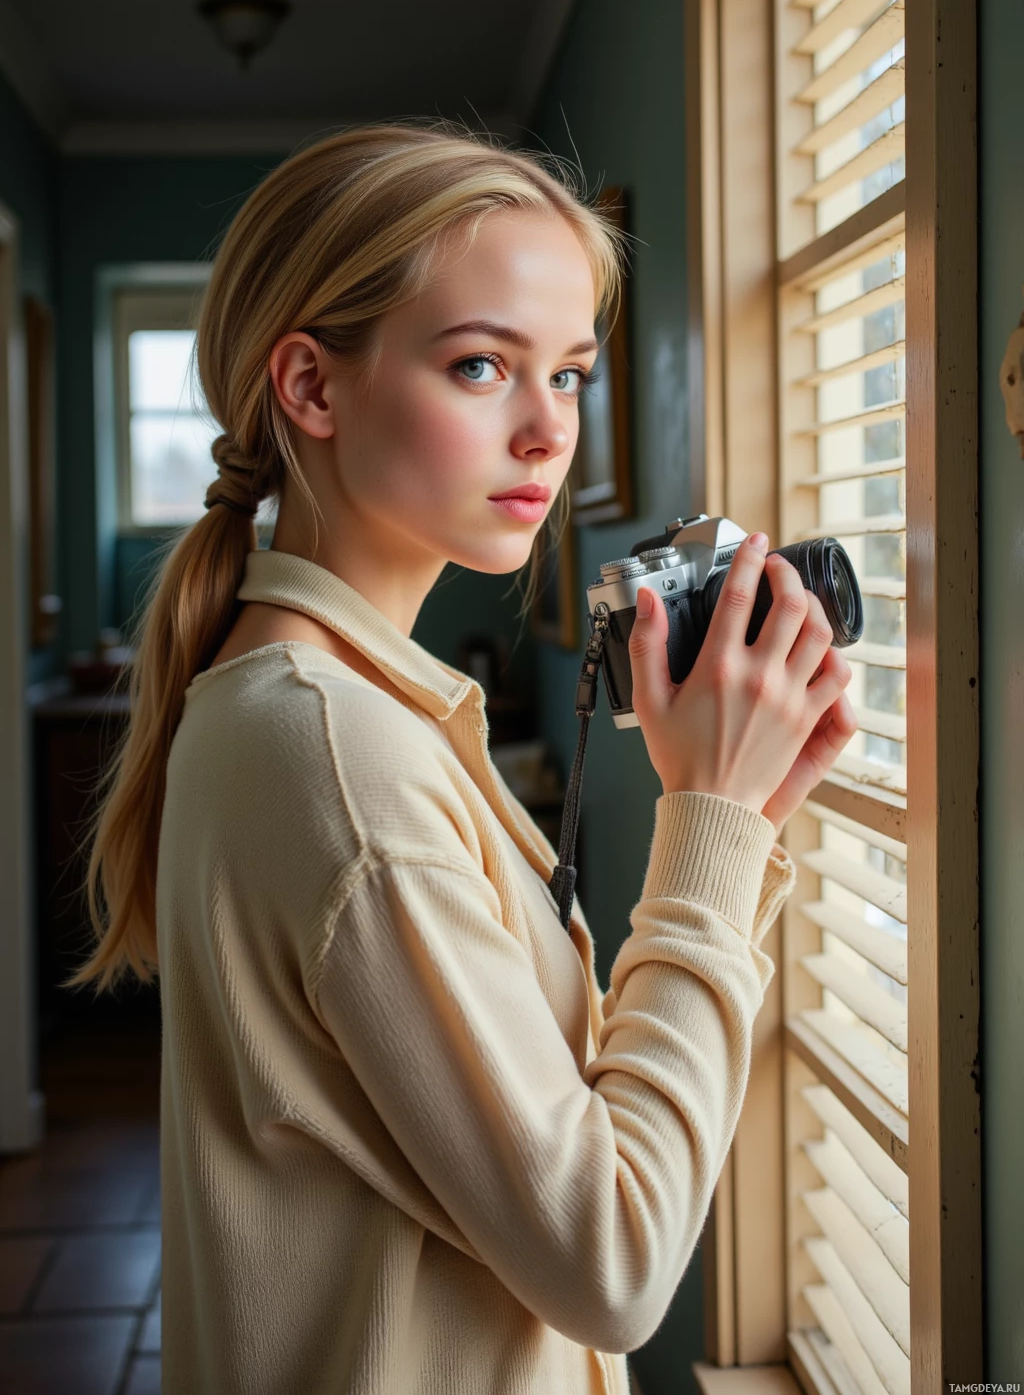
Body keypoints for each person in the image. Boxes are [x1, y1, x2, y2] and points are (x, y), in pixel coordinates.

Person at [72, 124, 855, 1395]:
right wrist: (705, 821)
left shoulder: (319, 704)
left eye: (573, 374)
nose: (550, 431)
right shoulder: (339, 756)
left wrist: (745, 809)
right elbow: (612, 1266)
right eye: (482, 365)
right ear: (313, 389)